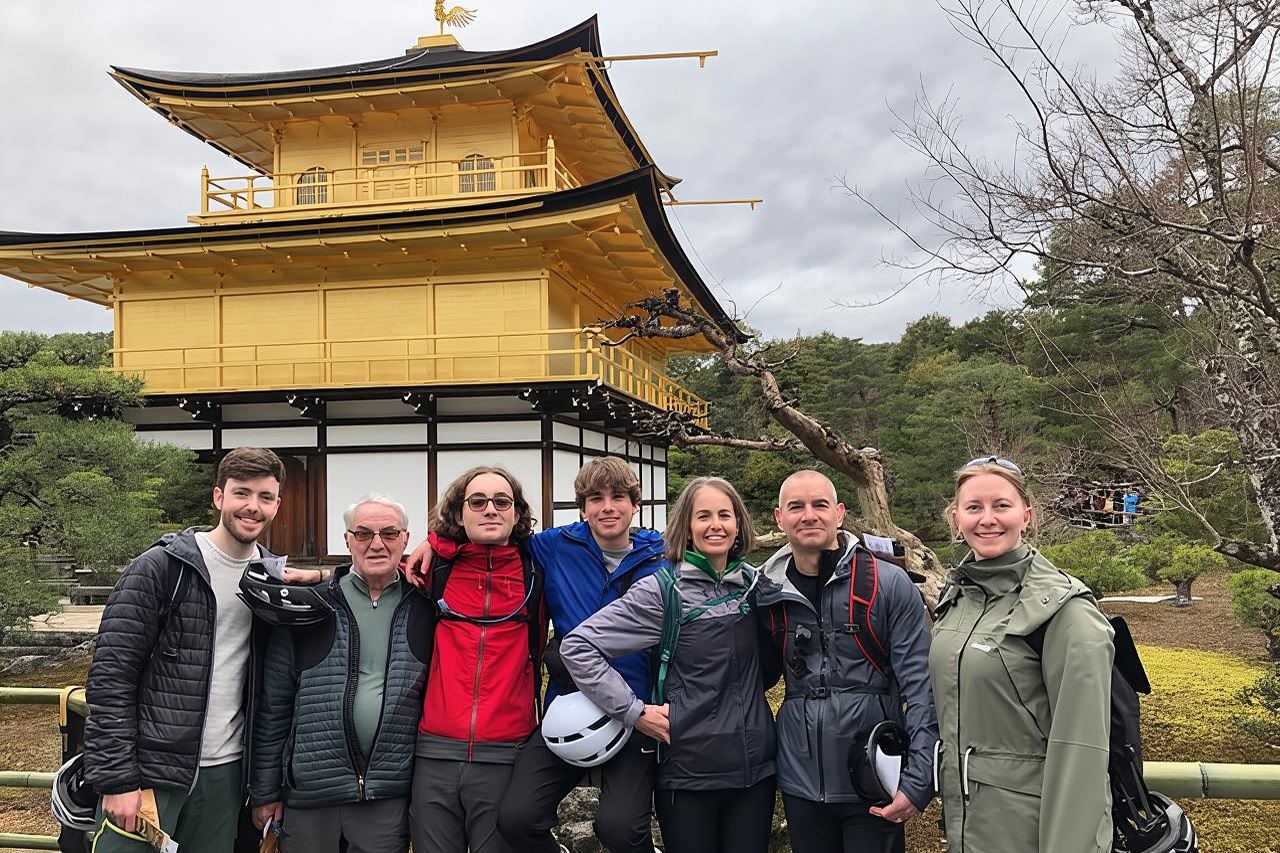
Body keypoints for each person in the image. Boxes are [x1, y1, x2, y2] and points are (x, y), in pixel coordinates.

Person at [405, 456, 665, 853]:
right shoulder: (554, 547)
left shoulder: (663, 560)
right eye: (596, 498)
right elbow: (490, 533)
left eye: (618, 497)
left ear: (636, 504)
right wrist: (432, 542)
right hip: (568, 707)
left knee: (619, 828)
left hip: (635, 712)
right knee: (518, 818)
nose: (608, 507)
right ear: (582, 507)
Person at [83, 447, 286, 853]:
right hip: (151, 771)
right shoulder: (162, 567)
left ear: (277, 505)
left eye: (265, 497)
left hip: (226, 771)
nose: (252, 507)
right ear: (218, 497)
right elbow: (111, 678)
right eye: (241, 493)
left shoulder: (271, 578)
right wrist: (118, 779)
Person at [560, 476, 777, 853]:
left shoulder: (753, 585)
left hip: (754, 771)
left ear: (739, 524)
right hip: (688, 775)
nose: (715, 525)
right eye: (703, 516)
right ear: (687, 528)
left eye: (725, 515)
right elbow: (578, 646)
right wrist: (633, 711)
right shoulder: (662, 591)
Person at [930, 456, 1115, 853]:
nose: (987, 519)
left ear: (1026, 515)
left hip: (1030, 832)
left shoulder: (1064, 613)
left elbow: (1081, 753)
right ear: (956, 518)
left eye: (1001, 506)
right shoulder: (957, 598)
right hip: (967, 826)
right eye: (974, 507)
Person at [756, 470, 937, 853]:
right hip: (800, 778)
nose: (809, 515)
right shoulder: (767, 593)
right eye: (797, 507)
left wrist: (918, 781)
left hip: (873, 772)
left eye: (820, 505)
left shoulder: (887, 584)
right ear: (778, 518)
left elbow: (922, 686)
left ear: (839, 514)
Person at [249, 494, 432, 853]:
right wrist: (266, 790)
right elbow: (275, 705)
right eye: (363, 534)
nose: (377, 543)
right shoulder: (309, 606)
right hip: (311, 794)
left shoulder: (426, 608)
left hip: (387, 793)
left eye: (389, 533)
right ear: (347, 540)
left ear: (406, 540)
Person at [409, 466, 547, 853]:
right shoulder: (433, 570)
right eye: (478, 501)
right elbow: (371, 575)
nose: (490, 509)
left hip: (506, 753)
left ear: (517, 514)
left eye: (502, 501)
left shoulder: (536, 570)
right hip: (435, 750)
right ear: (458, 513)